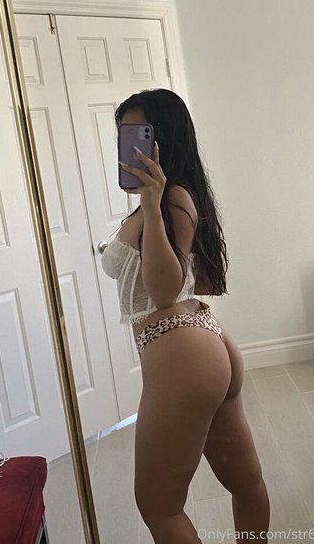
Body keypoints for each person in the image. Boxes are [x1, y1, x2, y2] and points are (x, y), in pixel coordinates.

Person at [101, 89, 270, 543]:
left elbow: (163, 293)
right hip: (203, 340)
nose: (128, 148)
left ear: (165, 138)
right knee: (246, 482)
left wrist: (151, 208)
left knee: (159, 506)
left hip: (180, 350)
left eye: (139, 135)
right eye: (123, 136)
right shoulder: (175, 196)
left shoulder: (170, 199)